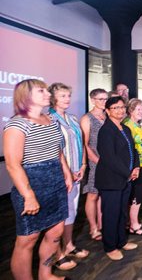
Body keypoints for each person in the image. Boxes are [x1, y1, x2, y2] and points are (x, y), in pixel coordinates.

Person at [3, 79, 73, 280]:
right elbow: (13, 164)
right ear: (26, 96)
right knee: (28, 238)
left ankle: (46, 274)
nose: (47, 94)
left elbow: (57, 151)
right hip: (32, 182)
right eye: (41, 91)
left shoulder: (50, 119)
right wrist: (29, 195)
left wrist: (66, 173)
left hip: (56, 180)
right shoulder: (17, 124)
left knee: (55, 232)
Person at [48, 82, 89, 271]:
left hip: (77, 172)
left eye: (68, 96)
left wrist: (82, 165)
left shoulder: (72, 119)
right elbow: (53, 149)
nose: (67, 99)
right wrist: (68, 172)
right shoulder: (48, 119)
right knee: (59, 214)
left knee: (72, 210)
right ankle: (57, 253)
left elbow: (82, 143)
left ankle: (69, 245)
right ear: (53, 98)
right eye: (63, 96)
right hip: (60, 174)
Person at [95, 96, 140, 261]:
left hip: (125, 179)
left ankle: (121, 241)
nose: (120, 110)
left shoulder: (125, 128)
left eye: (122, 107)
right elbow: (109, 158)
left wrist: (135, 167)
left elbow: (133, 150)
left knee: (122, 212)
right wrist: (128, 172)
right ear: (107, 111)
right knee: (111, 214)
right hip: (110, 180)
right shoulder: (106, 131)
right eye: (115, 108)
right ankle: (110, 246)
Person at [81, 88, 108, 240]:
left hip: (108, 162)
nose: (104, 102)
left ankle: (102, 223)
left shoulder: (107, 115)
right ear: (93, 100)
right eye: (100, 99)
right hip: (95, 162)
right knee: (93, 194)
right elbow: (85, 144)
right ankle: (93, 228)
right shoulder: (87, 118)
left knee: (103, 194)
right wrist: (96, 161)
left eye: (105, 99)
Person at [123, 99, 142, 235]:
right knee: (135, 195)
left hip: (141, 163)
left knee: (136, 194)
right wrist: (135, 167)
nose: (141, 112)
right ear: (130, 110)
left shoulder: (138, 125)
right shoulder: (127, 125)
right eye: (138, 109)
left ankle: (131, 221)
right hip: (134, 166)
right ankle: (134, 225)